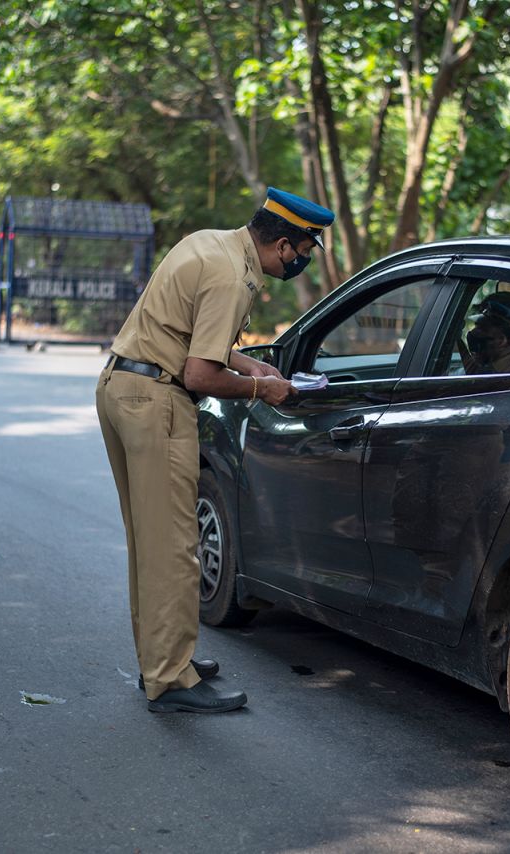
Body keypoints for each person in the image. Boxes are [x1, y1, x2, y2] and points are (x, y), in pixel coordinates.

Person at [96, 187, 335, 713]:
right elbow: (199, 373)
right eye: (303, 251)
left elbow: (195, 334)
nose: (299, 263)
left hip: (120, 387)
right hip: (157, 400)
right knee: (176, 546)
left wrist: (250, 364)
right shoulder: (234, 276)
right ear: (282, 244)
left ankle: (162, 658)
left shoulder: (213, 244)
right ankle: (170, 679)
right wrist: (264, 389)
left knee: (150, 542)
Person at [462, 296, 510, 377]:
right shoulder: (493, 362)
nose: (473, 331)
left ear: (501, 340)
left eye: (482, 329)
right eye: (476, 326)